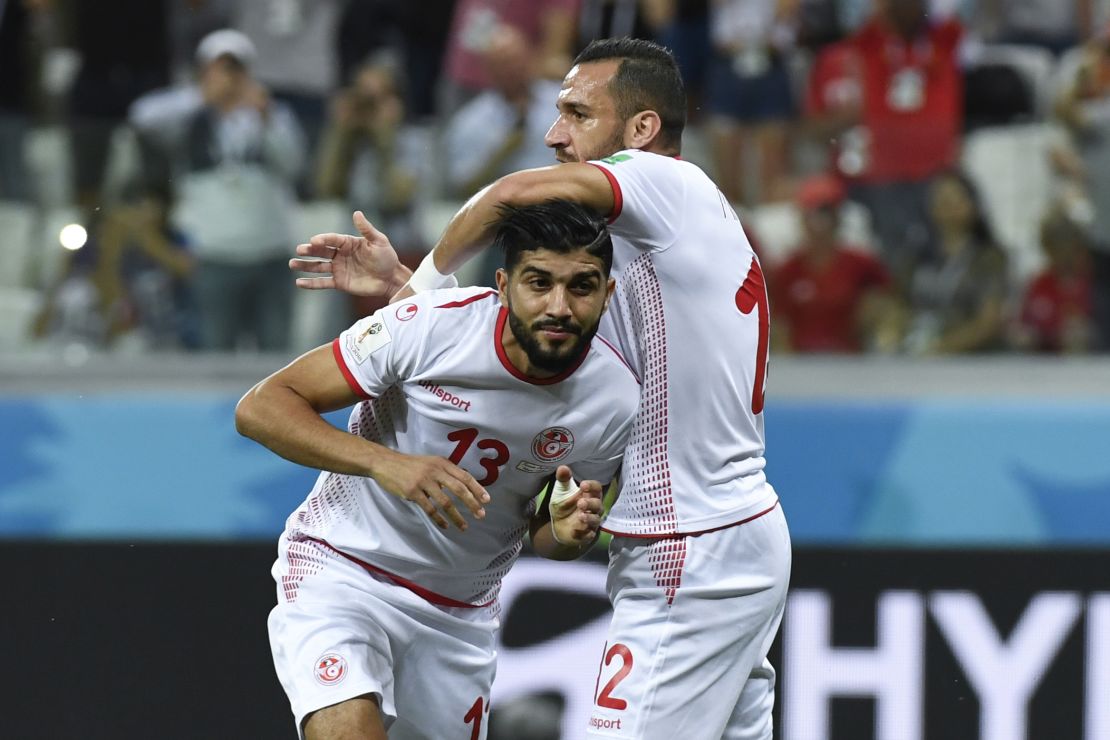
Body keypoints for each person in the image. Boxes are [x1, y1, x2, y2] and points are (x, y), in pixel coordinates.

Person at [292, 38, 791, 739]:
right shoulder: (639, 250)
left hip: (691, 539)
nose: (555, 134)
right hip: (726, 532)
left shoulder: (665, 186)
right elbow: (519, 330)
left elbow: (509, 194)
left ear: (642, 132)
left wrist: (424, 289)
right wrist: (404, 289)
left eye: (577, 114)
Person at [240, 199, 639, 739]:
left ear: (607, 293)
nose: (560, 306)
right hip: (343, 570)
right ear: (503, 284)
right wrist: (387, 464)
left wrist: (566, 534)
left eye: (582, 287)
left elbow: (548, 535)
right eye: (538, 283)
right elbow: (262, 407)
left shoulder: (615, 400)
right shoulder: (430, 326)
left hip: (458, 615)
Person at [769, 173, 896, 353]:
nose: (818, 223)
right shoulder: (787, 270)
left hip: (851, 361)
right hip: (801, 363)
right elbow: (778, 325)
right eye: (811, 214)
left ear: (837, 218)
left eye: (824, 214)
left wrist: (872, 321)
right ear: (802, 219)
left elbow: (889, 303)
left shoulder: (861, 265)